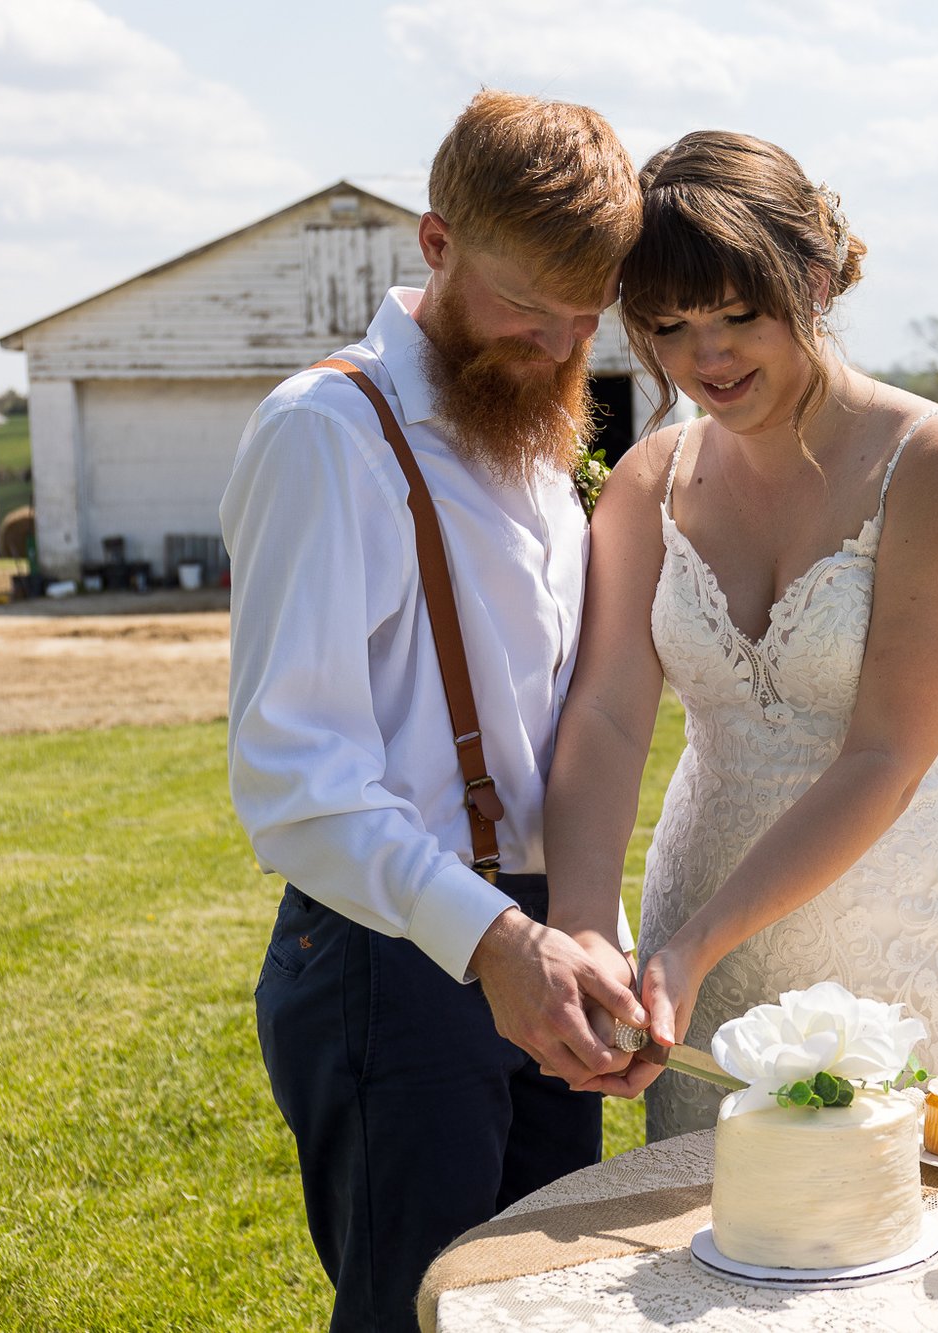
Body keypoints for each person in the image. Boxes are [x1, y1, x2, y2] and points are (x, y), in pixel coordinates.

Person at [222, 91, 647, 1331]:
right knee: (416, 1313)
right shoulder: (326, 433)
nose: (557, 343)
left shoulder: (526, 424)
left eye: (585, 316)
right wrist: (494, 943)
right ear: (435, 241)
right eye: (528, 303)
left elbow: (555, 722)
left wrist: (584, 927)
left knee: (553, 1305)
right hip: (391, 955)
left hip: (537, 940)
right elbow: (295, 779)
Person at [543, 130, 938, 1140]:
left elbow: (885, 757)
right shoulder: (647, 481)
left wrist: (695, 946)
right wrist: (589, 924)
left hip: (910, 928)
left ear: (811, 280)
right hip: (700, 941)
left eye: (737, 314)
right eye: (669, 327)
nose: (705, 356)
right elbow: (600, 716)